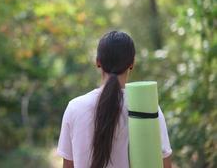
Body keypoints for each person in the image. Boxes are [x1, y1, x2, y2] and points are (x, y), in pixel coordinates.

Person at [57, 31, 172, 168]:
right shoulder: (147, 108)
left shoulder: (75, 108)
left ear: (98, 62)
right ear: (132, 63)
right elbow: (165, 164)